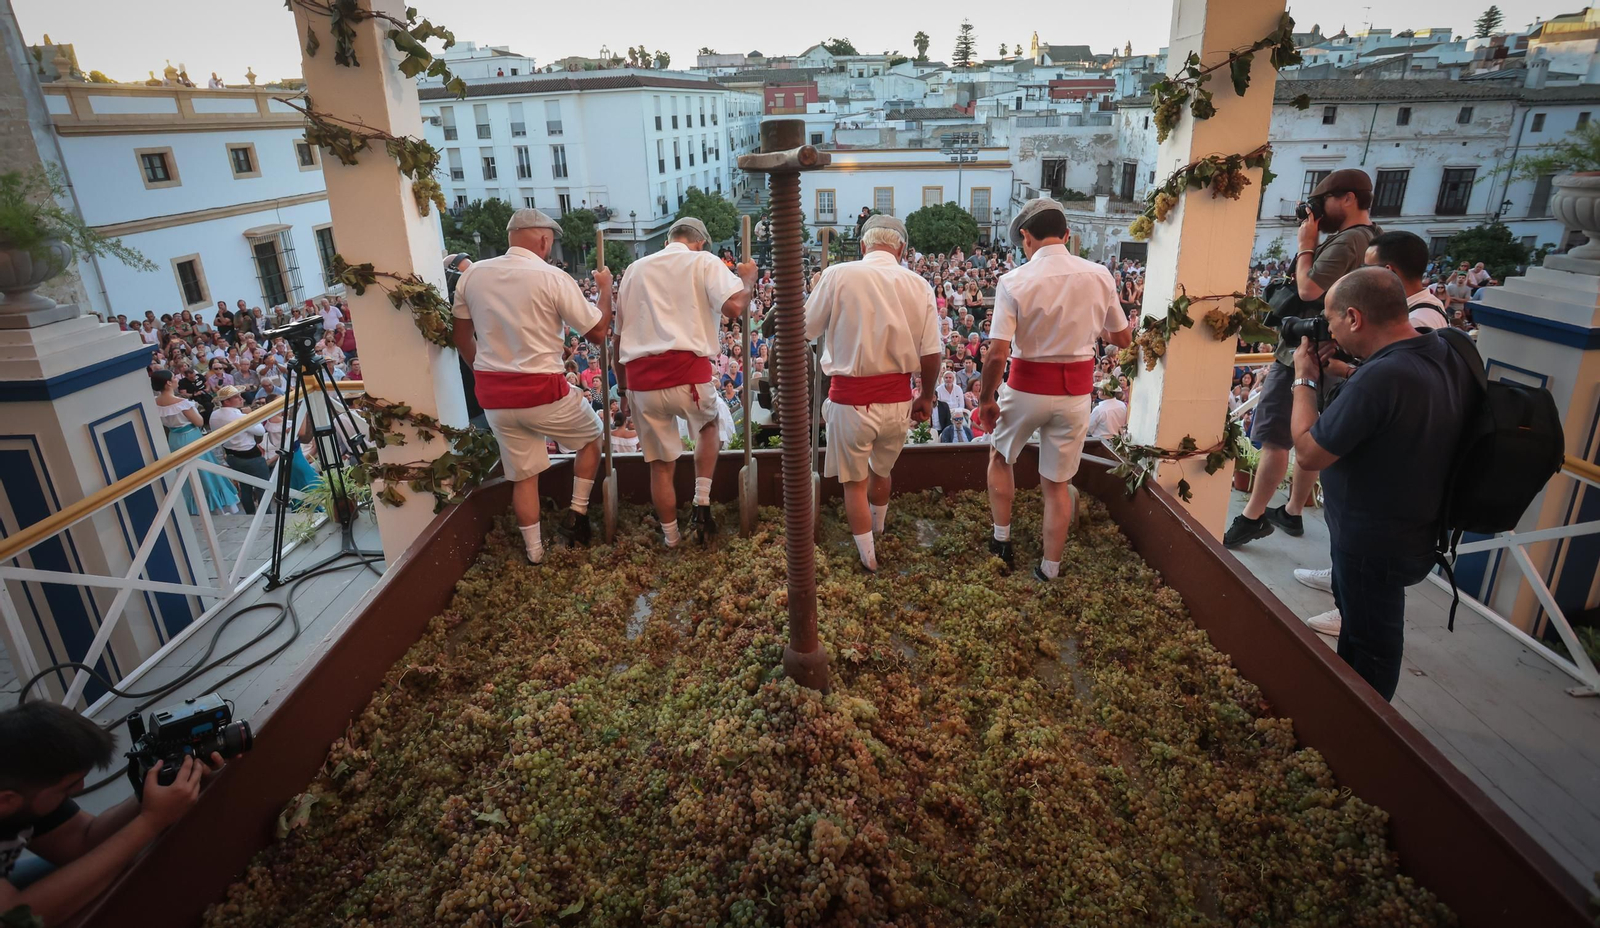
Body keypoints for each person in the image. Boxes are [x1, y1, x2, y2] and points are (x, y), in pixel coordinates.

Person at [1287, 267, 1475, 700]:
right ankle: (1350, 709)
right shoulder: (1442, 349)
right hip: (1413, 527)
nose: (1328, 328)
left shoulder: (1382, 377)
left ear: (1354, 318)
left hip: (1374, 540)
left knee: (1373, 646)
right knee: (1359, 630)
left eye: (1331, 320)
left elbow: (1309, 452)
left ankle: (1366, 733)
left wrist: (1305, 379)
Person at [1225, 168, 1379, 549]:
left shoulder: (1347, 242)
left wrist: (1307, 243)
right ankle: (1293, 510)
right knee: (1313, 435)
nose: (1317, 213)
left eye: (1323, 202)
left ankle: (1253, 516)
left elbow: (1308, 288)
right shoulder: (1373, 239)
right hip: (1336, 353)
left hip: (1305, 352)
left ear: (1347, 199)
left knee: (1277, 438)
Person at [979, 198, 1131, 580]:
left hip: (1027, 387)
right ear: (1067, 235)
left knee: (1001, 456)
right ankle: (1050, 569)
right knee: (1057, 484)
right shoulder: (1100, 275)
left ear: (1026, 238)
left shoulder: (1013, 281)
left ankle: (1002, 540)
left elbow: (997, 353)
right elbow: (1123, 337)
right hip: (1076, 394)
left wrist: (985, 398)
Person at [451, 208, 611, 564]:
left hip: (494, 395)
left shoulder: (472, 275)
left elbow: (462, 338)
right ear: (543, 240)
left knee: (523, 476)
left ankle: (535, 554)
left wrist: (484, 373)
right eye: (550, 243)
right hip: (543, 391)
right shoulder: (552, 277)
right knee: (591, 437)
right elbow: (598, 332)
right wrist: (605, 291)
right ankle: (578, 514)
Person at [0, 701, 221, 925]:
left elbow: (83, 841)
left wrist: (157, 791)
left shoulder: (25, 785)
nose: (80, 788)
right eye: (67, 787)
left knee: (120, 863)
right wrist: (150, 822)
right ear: (6, 801)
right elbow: (16, 918)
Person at [804, 214, 940, 572]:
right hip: (897, 402)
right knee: (881, 472)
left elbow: (805, 327)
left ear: (863, 246)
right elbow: (932, 353)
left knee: (854, 482)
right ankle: (877, 532)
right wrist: (925, 396)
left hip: (851, 401)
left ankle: (869, 558)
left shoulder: (838, 274)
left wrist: (819, 289)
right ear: (902, 250)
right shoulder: (919, 284)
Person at [613, 216, 757, 546]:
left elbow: (617, 340)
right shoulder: (703, 261)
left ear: (668, 240)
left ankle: (671, 538)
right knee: (709, 426)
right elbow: (735, 307)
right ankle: (701, 502)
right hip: (687, 374)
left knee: (661, 466)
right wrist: (746, 280)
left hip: (640, 381)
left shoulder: (635, 270)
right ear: (700, 243)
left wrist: (622, 389)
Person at [152, 370, 239, 515]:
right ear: (168, 383)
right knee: (205, 471)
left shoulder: (155, 402)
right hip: (190, 437)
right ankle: (217, 506)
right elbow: (199, 422)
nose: (176, 379)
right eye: (173, 377)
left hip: (173, 439)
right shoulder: (182, 403)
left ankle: (195, 505)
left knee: (185, 474)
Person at [209, 385, 270, 514]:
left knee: (245, 488)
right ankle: (266, 514)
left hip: (232, 455)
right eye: (236, 397)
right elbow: (260, 430)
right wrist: (249, 415)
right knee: (263, 488)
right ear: (226, 401)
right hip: (250, 456)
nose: (241, 399)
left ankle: (250, 513)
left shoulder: (214, 415)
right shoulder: (238, 416)